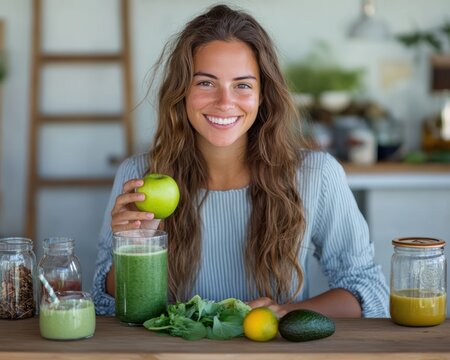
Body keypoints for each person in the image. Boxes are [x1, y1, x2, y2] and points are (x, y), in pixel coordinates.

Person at [93, 4, 389, 318]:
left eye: (242, 85)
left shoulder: (317, 175)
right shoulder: (139, 175)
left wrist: (284, 313)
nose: (224, 102)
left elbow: (370, 293)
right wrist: (138, 244)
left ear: (263, 95)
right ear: (182, 91)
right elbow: (105, 305)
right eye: (205, 83)